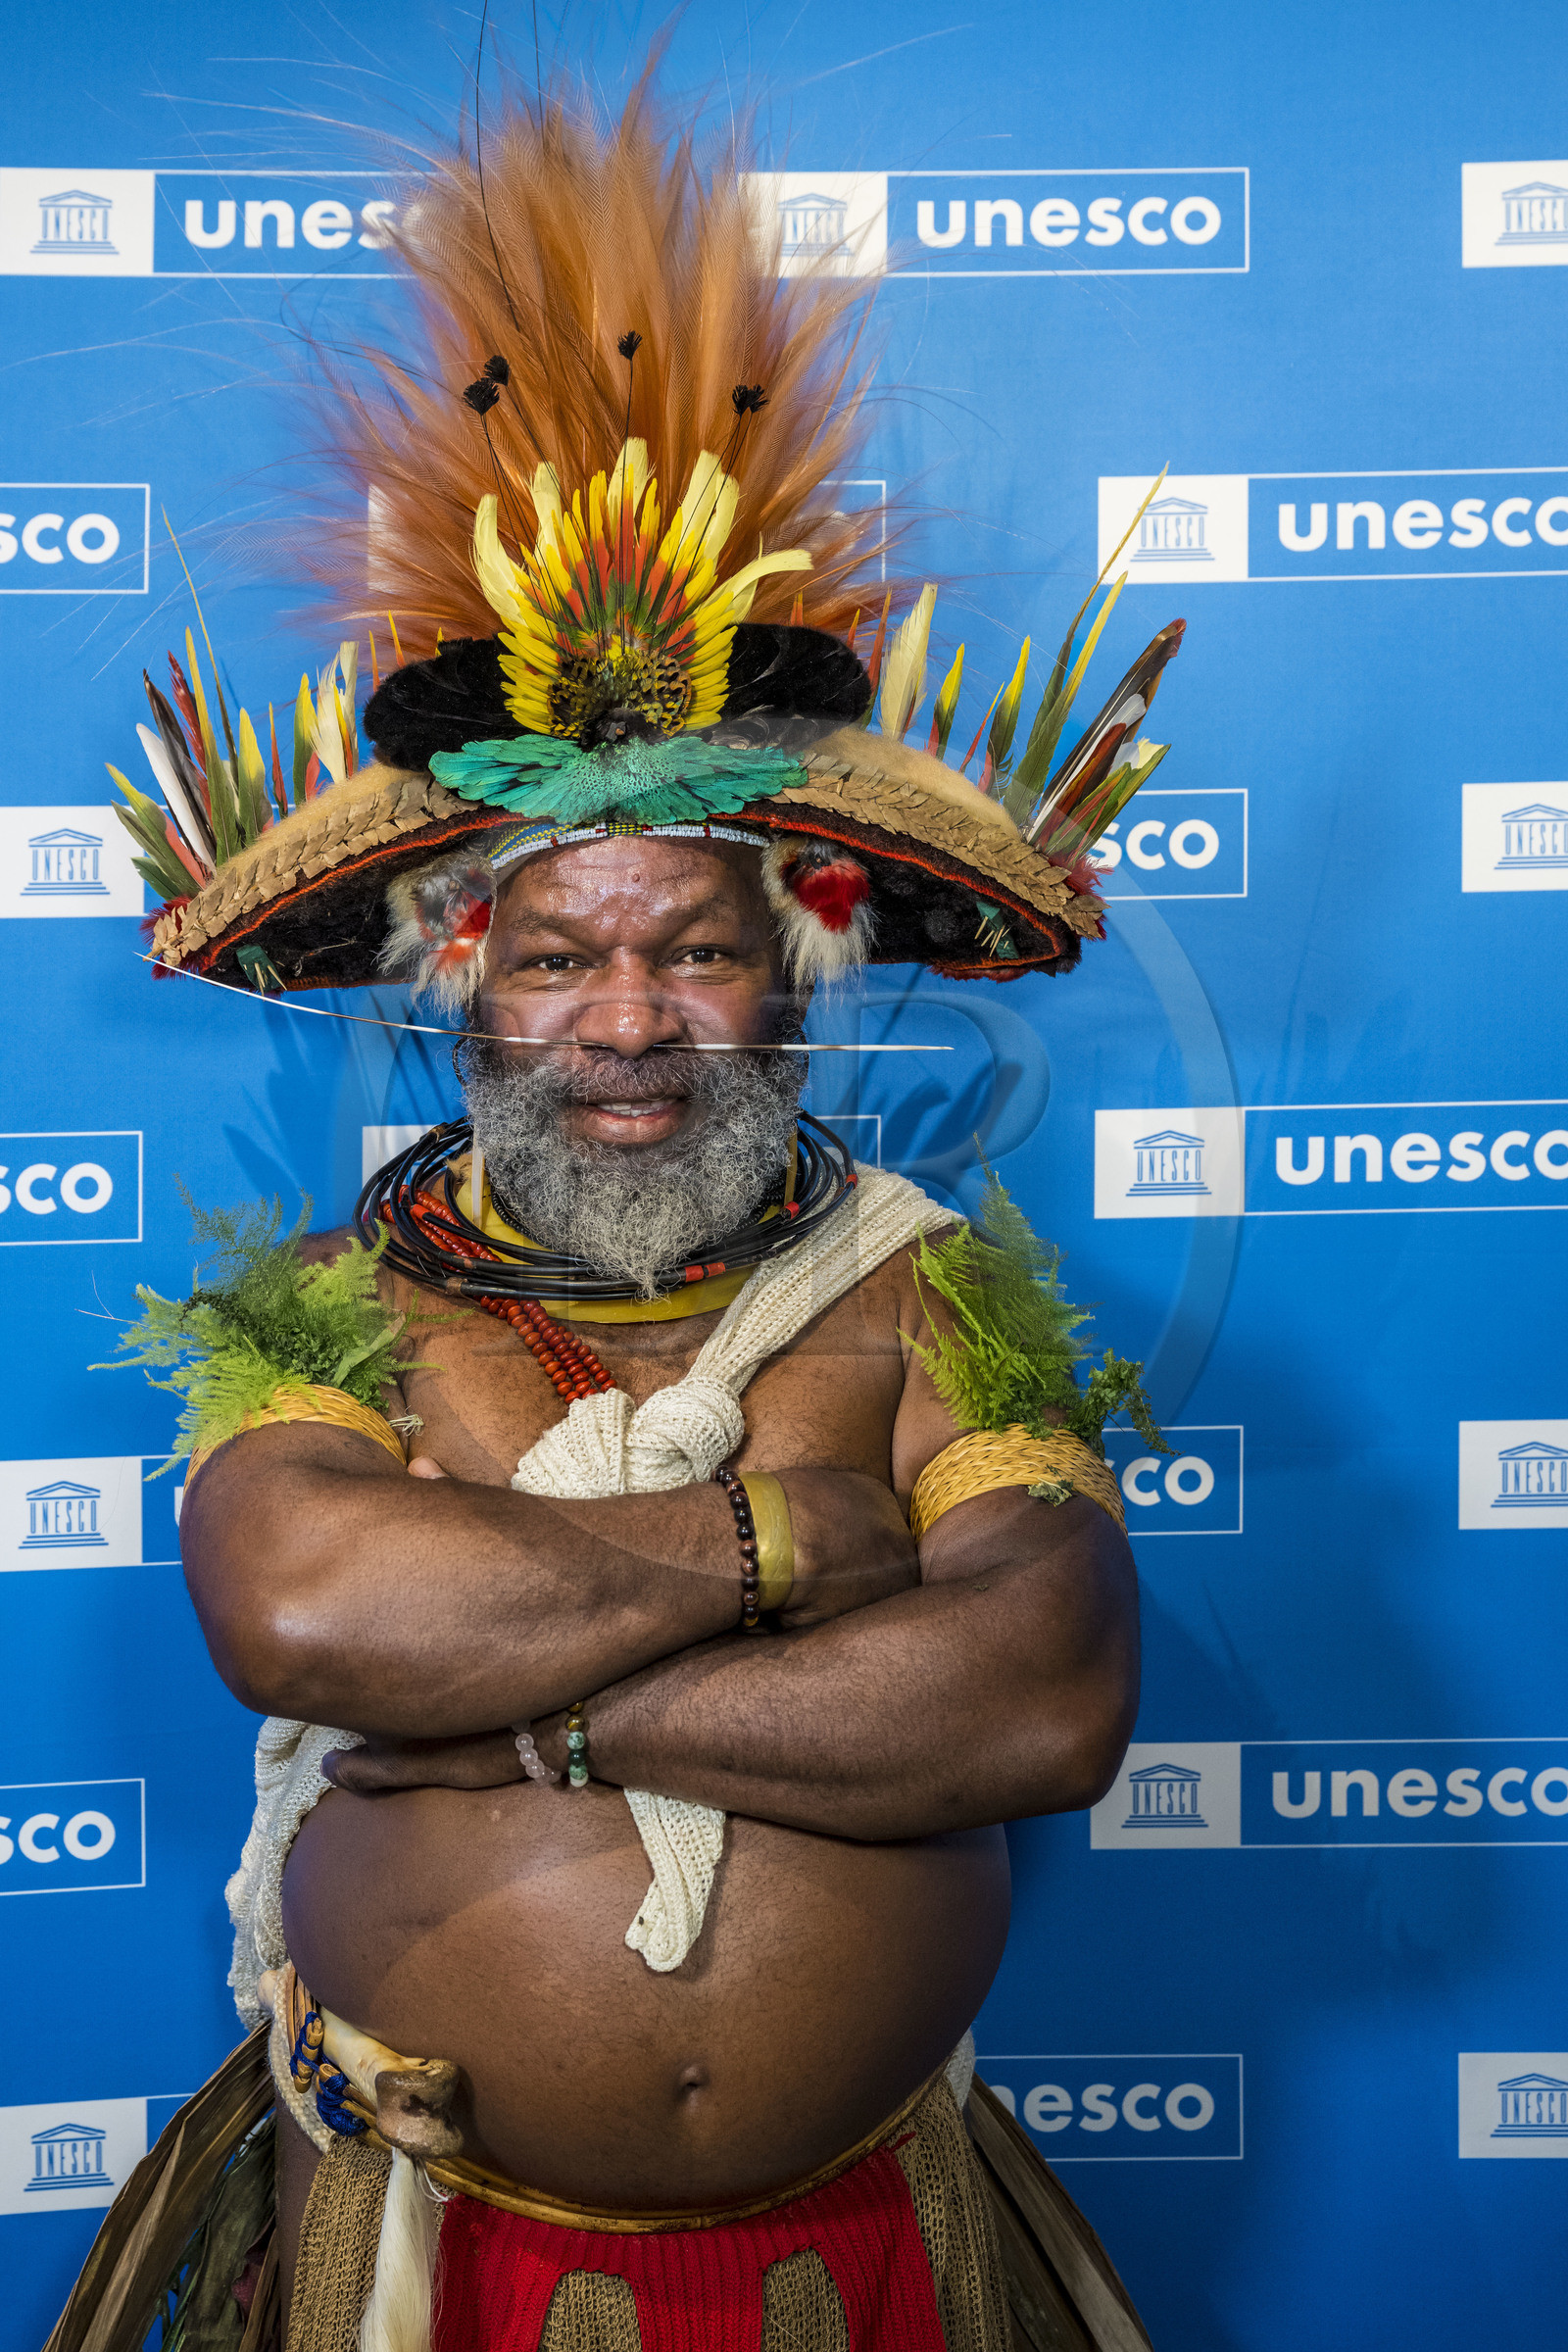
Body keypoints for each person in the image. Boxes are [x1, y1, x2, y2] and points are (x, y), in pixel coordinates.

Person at [55, 69, 1181, 2352]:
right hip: (426, 2258)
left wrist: (528, 1718)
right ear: (466, 984)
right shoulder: (332, 1303)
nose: (629, 1018)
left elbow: (1037, 1693)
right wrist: (783, 1557)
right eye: (561, 955)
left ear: (796, 982)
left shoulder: (927, 1295)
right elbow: (309, 1617)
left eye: (697, 949)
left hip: (866, 2252)